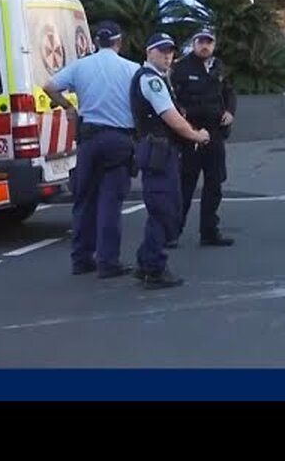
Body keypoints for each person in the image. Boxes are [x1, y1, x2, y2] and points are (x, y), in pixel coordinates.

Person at [43, 21, 141, 277]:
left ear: (96, 42)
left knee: (84, 200)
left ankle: (81, 259)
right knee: (110, 203)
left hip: (88, 140)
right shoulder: (132, 69)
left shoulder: (80, 66)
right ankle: (108, 262)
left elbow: (49, 87)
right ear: (119, 43)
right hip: (119, 140)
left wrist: (67, 107)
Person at [130, 32, 211, 288]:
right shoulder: (152, 81)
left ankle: (146, 260)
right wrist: (197, 135)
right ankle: (154, 267)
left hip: (159, 150)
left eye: (170, 51)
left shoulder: (156, 78)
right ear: (148, 52)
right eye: (161, 50)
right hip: (158, 151)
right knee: (164, 209)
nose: (167, 55)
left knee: (163, 206)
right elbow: (170, 117)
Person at [169, 28, 236, 247]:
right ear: (194, 43)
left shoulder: (218, 66)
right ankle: (173, 233)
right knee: (185, 186)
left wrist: (230, 112)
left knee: (214, 184)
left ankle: (209, 231)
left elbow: (229, 93)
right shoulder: (181, 68)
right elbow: (175, 99)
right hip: (191, 135)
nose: (205, 46)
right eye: (201, 42)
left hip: (215, 134)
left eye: (209, 42)